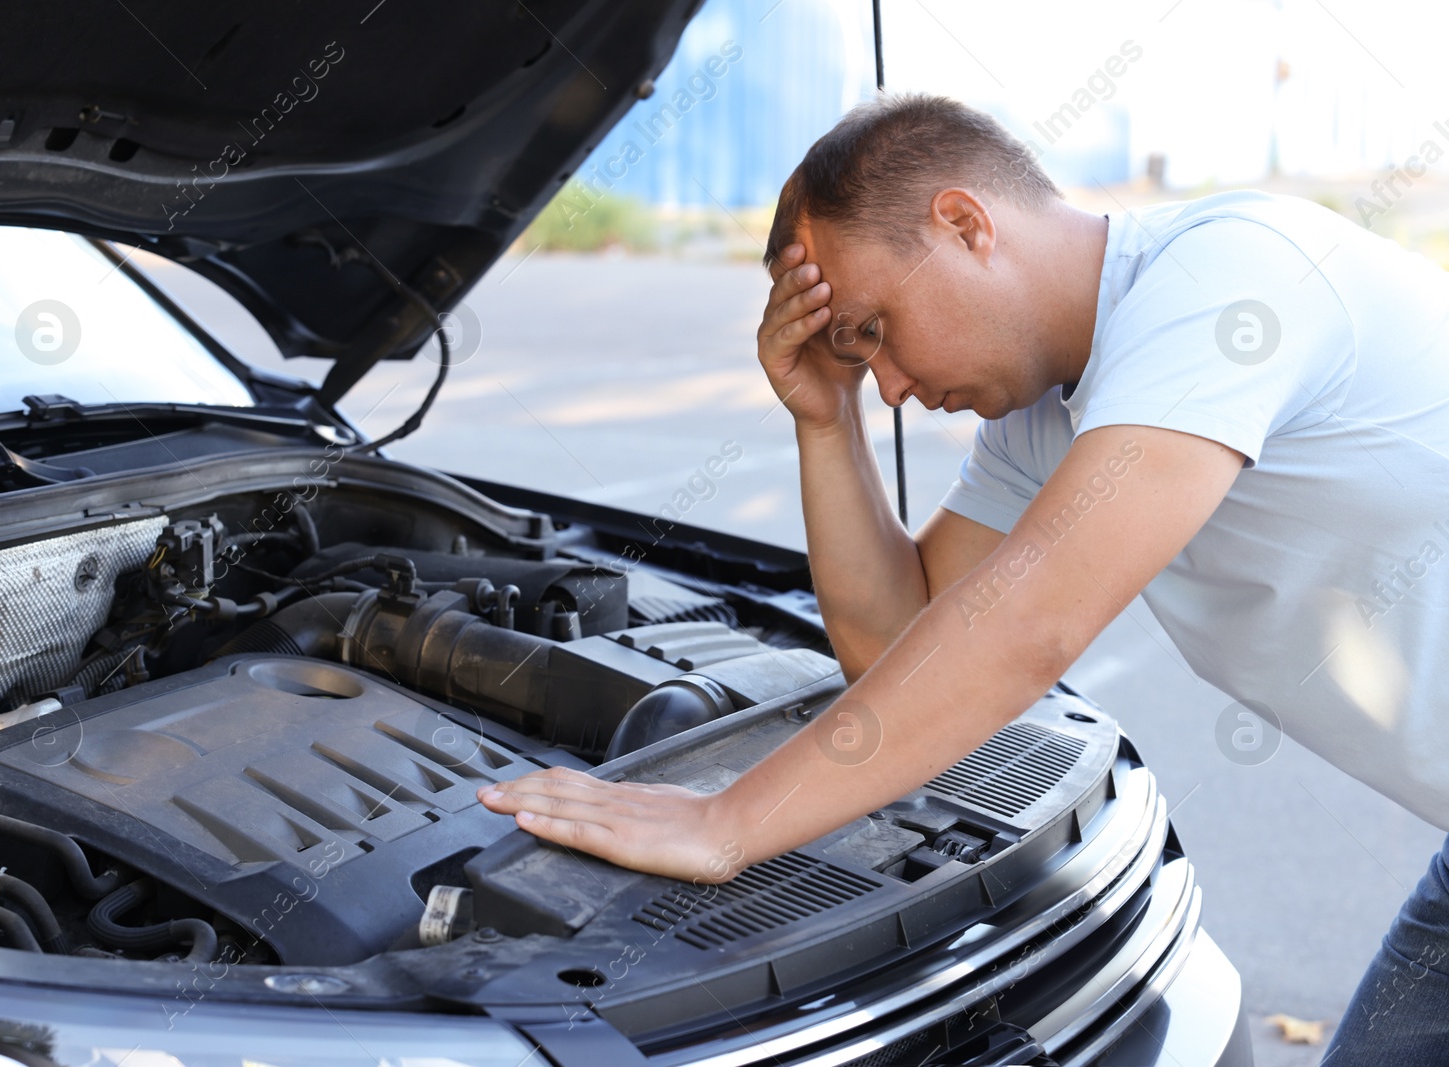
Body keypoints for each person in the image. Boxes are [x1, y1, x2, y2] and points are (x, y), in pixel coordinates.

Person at [477, 92, 1449, 1058]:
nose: (891, 385)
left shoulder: (1228, 278)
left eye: (874, 330)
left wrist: (729, 822)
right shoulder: (1040, 418)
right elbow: (897, 652)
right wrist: (828, 420)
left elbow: (1026, 626)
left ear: (963, 223)